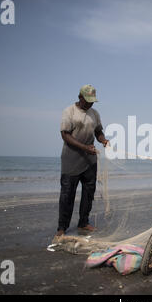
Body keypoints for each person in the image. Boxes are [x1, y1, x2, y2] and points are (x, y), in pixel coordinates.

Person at [56, 84, 109, 237]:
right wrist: (85, 148)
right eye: (88, 100)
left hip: (89, 160)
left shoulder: (94, 113)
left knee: (88, 192)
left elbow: (98, 131)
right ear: (80, 97)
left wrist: (103, 140)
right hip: (71, 159)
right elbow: (65, 135)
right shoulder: (69, 111)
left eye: (93, 101)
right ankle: (62, 227)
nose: (90, 103)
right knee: (67, 194)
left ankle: (84, 222)